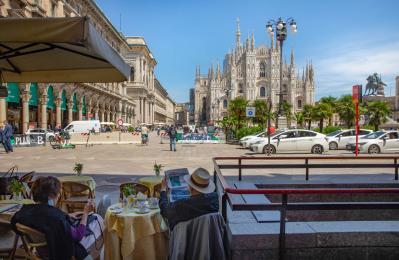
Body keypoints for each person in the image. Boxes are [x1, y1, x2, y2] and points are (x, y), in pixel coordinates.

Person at [11, 176, 104, 260]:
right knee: (98, 221)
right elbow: (78, 236)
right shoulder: (56, 218)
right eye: (58, 194)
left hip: (40, 250)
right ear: (51, 196)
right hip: (55, 252)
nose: (58, 196)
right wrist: (85, 213)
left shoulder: (24, 211)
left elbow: (41, 219)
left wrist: (66, 216)